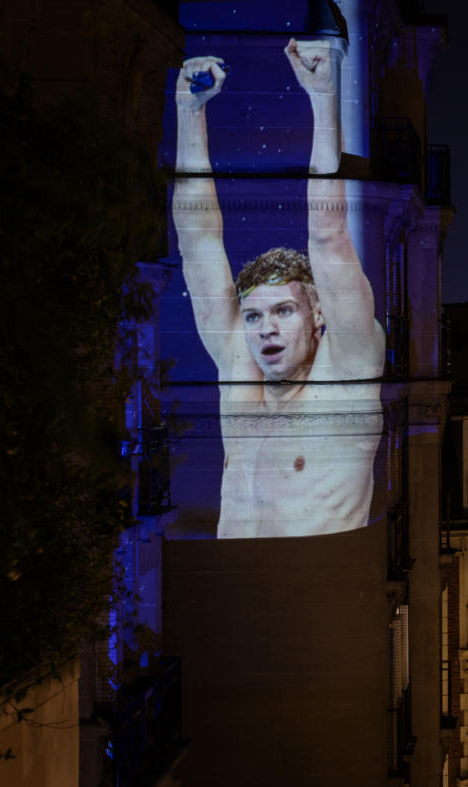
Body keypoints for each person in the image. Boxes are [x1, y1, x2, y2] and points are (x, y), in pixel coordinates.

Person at [172, 39, 384, 538]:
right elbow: (197, 240)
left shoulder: (347, 371)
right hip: (229, 598)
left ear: (318, 316)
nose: (265, 329)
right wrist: (188, 112)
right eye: (254, 316)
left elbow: (329, 236)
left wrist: (322, 96)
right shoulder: (238, 369)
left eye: (284, 311)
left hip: (318, 598)